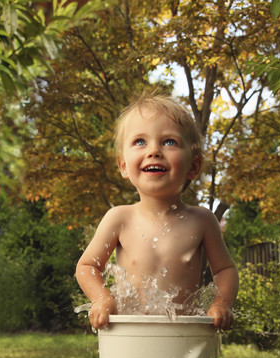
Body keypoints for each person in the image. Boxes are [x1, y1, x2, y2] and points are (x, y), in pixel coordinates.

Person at [76, 91, 239, 330]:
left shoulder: (202, 220)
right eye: (140, 141)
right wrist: (101, 297)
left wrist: (222, 303)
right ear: (123, 166)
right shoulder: (120, 218)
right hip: (129, 331)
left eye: (169, 142)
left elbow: (225, 269)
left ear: (193, 166)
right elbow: (87, 266)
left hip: (182, 333)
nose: (154, 151)